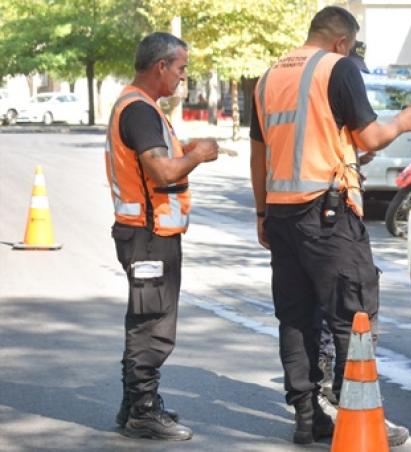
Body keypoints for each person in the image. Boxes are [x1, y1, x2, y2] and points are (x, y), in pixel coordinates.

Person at [249, 6, 411, 446]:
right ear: (342, 42)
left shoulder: (270, 77)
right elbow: (369, 136)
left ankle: (307, 418)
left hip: (283, 214)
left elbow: (261, 154)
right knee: (354, 315)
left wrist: (262, 212)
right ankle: (358, 416)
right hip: (328, 216)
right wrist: (401, 122)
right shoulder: (338, 68)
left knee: (296, 317)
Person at [105, 32, 219, 441]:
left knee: (145, 317)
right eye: (181, 69)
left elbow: (157, 162)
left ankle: (134, 404)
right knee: (151, 324)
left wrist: (182, 150)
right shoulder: (138, 110)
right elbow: (162, 172)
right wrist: (197, 156)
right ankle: (142, 411)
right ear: (160, 67)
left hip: (147, 232)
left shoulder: (141, 106)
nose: (183, 78)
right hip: (148, 236)